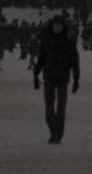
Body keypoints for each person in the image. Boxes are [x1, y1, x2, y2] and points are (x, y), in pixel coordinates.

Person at [34, 16, 80, 144]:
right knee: (49, 111)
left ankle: (57, 136)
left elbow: (75, 62)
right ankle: (55, 133)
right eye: (55, 25)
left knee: (60, 109)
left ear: (63, 27)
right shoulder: (46, 41)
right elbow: (40, 60)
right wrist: (35, 75)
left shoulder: (69, 42)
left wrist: (76, 79)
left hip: (62, 79)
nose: (57, 27)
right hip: (48, 78)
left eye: (59, 25)